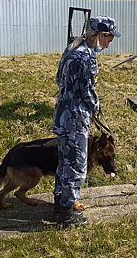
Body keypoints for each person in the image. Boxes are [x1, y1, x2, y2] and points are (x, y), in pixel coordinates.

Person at [52, 15, 121, 227]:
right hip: (76, 117)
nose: (110, 43)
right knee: (77, 164)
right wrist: (96, 106)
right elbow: (86, 91)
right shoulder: (85, 58)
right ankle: (67, 213)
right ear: (101, 35)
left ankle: (60, 201)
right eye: (109, 38)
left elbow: (58, 79)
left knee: (65, 160)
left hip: (64, 112)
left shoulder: (72, 49)